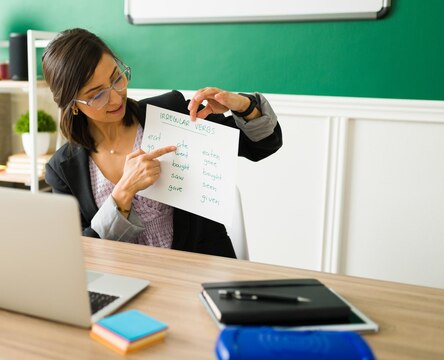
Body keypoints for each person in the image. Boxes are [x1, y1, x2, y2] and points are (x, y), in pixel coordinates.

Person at [42, 28, 282, 258]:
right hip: (123, 284)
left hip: (199, 275)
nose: (115, 97)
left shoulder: (170, 112)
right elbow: (78, 252)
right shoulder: (62, 169)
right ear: (72, 104)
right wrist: (122, 194)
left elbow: (262, 145)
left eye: (117, 78)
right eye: (97, 95)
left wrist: (243, 106)